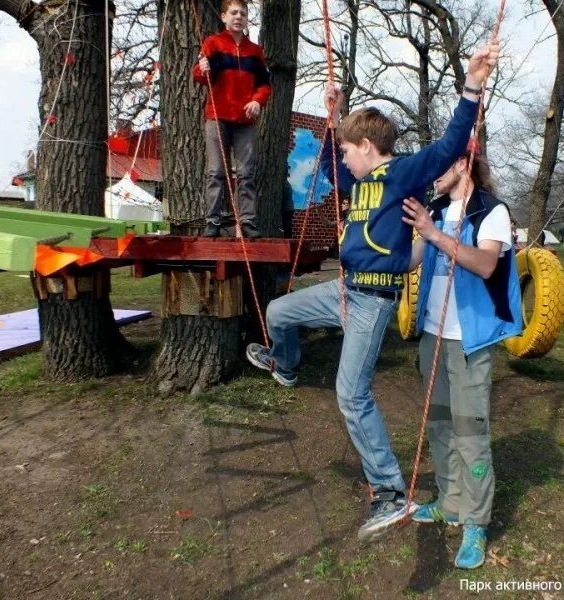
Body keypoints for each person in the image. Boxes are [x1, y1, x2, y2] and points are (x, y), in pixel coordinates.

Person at [245, 40, 501, 543]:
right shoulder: (356, 181)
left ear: (366, 147)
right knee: (277, 312)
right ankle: (287, 365)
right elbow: (330, 166)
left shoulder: (400, 173)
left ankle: (389, 490)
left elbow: (449, 146)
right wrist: (333, 115)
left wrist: (472, 86)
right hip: (343, 288)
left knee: (351, 394)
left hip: (371, 302)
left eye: (347, 148)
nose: (343, 158)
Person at [401, 146, 523, 569]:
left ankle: (475, 522)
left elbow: (487, 265)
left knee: (470, 433)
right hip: (432, 337)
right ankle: (450, 501)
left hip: (469, 342)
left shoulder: (491, 211)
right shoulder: (434, 209)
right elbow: (413, 258)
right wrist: (380, 243)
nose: (433, 174)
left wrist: (435, 234)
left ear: (461, 165)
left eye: (441, 166)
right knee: (438, 425)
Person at [193, 0, 271, 238]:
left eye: (243, 13)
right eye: (234, 12)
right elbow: (200, 76)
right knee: (216, 171)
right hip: (217, 116)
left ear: (247, 18)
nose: (239, 16)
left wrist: (257, 101)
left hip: (244, 120)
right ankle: (213, 222)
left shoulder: (255, 51)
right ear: (224, 17)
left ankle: (248, 221)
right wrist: (201, 67)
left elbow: (265, 84)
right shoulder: (213, 43)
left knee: (246, 173)